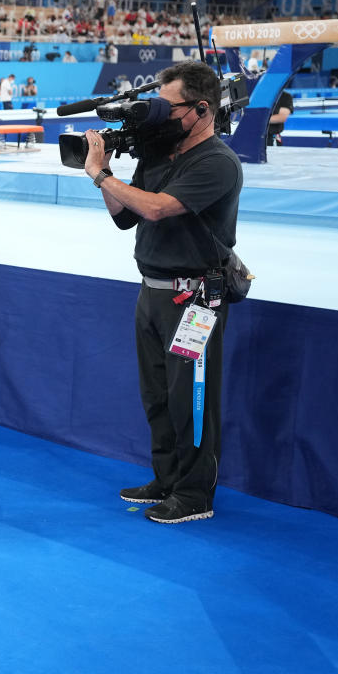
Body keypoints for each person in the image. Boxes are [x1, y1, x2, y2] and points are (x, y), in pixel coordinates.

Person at [84, 61, 243, 524]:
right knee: (155, 395)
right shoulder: (159, 152)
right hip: (151, 291)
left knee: (191, 399)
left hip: (195, 299)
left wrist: (99, 175)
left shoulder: (217, 161)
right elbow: (125, 215)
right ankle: (167, 478)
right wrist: (108, 174)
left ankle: (194, 495)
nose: (160, 117)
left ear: (201, 109)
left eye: (167, 108)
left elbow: (156, 210)